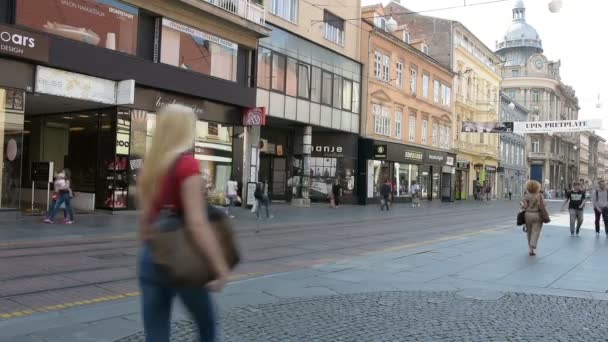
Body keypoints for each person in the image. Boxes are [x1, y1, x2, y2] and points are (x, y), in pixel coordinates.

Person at [136, 104, 230, 342]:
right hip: (182, 258)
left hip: (150, 255)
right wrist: (219, 266)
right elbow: (197, 223)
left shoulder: (149, 166)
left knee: (156, 333)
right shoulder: (187, 165)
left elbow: (145, 223)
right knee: (206, 325)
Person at [521, 180, 547, 256]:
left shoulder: (526, 196)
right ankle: (533, 244)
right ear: (537, 187)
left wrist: (522, 204)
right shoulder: (539, 195)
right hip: (537, 215)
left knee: (529, 232)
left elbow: (525, 206)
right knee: (536, 231)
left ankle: (531, 250)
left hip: (528, 215)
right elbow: (544, 205)